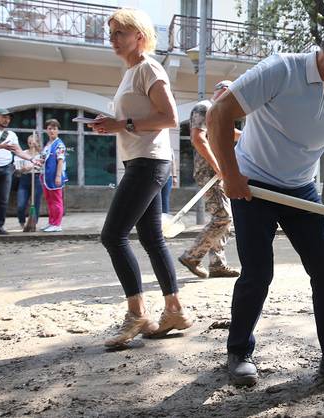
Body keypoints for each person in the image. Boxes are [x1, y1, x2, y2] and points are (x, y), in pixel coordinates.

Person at [208, 19, 324, 389]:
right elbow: (219, 113)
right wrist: (230, 174)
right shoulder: (281, 70)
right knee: (258, 273)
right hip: (253, 187)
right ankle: (239, 351)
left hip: (301, 190)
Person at [92, 8, 192, 347]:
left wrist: (121, 125)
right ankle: (174, 309)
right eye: (111, 33)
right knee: (152, 239)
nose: (114, 39)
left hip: (148, 163)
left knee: (113, 236)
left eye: (120, 32)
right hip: (142, 161)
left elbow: (170, 118)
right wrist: (112, 123)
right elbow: (138, 118)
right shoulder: (131, 72)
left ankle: (138, 314)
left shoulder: (149, 67)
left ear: (139, 34)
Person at [177, 80, 241, 279]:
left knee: (225, 219)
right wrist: (218, 167)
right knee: (223, 217)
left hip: (217, 173)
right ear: (223, 91)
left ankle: (217, 264)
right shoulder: (205, 107)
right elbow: (198, 138)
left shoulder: (218, 114)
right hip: (209, 173)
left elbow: (234, 134)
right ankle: (192, 256)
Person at [0, 108, 37, 235]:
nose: (7, 120)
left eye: (9, 118)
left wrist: (32, 159)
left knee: (3, 200)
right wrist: (1, 146)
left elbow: (18, 151)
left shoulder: (11, 134)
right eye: (4, 117)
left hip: (6, 169)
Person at [39, 119, 68, 232]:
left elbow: (60, 161)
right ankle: (51, 222)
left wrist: (58, 176)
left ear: (58, 131)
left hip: (54, 176)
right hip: (46, 176)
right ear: (46, 130)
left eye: (54, 128)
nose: (52, 131)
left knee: (56, 201)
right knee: (50, 201)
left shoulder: (59, 144)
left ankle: (57, 224)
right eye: (50, 128)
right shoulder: (48, 144)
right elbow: (43, 158)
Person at [14, 132, 44, 229]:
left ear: (38, 143)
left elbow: (45, 169)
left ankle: (33, 224)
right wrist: (24, 169)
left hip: (37, 179)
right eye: (30, 142)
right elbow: (17, 171)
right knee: (21, 205)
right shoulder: (22, 154)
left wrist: (37, 165)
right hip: (25, 179)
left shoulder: (42, 155)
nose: (32, 144)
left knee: (36, 203)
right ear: (28, 143)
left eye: (34, 142)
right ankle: (22, 223)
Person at [159, 148, 177, 214]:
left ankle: (165, 216)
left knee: (165, 198)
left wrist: (174, 176)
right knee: (155, 198)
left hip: (168, 176)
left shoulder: (170, 149)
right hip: (156, 176)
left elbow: (173, 163)